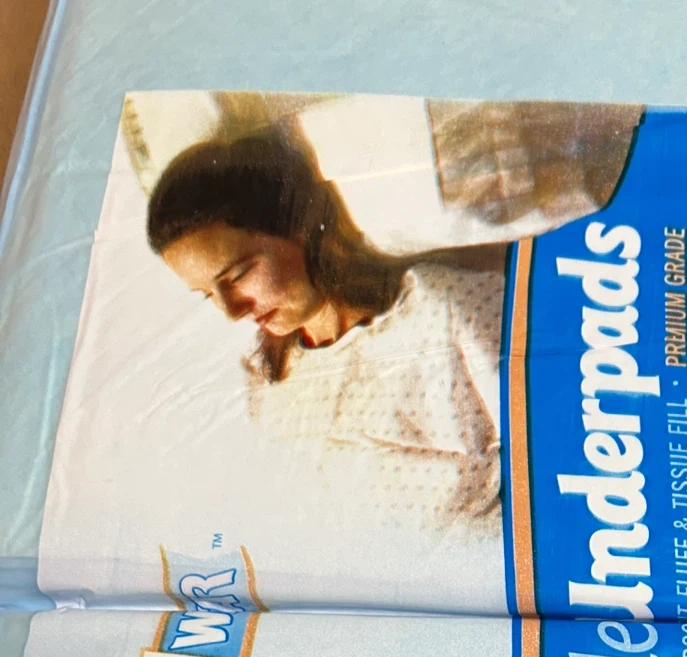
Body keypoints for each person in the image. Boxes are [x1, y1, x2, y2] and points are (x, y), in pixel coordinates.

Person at [148, 126, 507, 528]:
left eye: (238, 274)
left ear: (298, 225)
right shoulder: (269, 382)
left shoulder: (443, 313)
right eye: (207, 294)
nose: (231, 311)